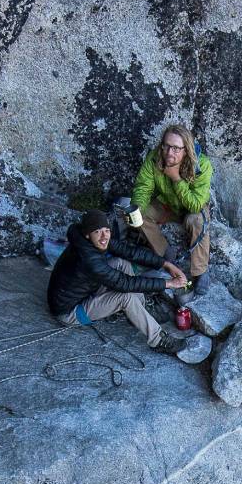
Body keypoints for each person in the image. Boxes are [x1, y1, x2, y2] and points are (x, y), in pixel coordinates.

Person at [47, 209, 196, 353]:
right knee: (125, 297)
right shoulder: (90, 260)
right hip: (70, 311)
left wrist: (165, 264)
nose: (104, 236)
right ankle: (158, 340)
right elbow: (124, 283)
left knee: (121, 263)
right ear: (88, 234)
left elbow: (129, 252)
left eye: (106, 230)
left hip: (84, 290)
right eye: (98, 232)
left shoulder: (87, 239)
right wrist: (168, 283)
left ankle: (140, 309)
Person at [130, 123, 212, 296]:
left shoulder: (201, 165)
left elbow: (195, 205)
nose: (169, 152)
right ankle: (166, 253)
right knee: (139, 215)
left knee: (197, 220)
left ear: (186, 149)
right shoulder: (155, 158)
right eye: (166, 146)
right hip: (167, 204)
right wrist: (137, 207)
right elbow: (143, 187)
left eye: (176, 148)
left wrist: (176, 179)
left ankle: (200, 271)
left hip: (191, 208)